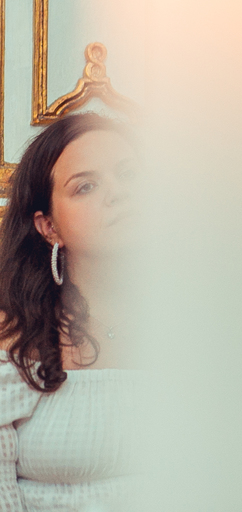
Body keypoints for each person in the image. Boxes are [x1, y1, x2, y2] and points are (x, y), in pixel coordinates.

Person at [0, 112, 140, 510]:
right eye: (87, 186)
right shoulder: (12, 339)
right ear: (48, 227)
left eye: (130, 174)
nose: (118, 193)